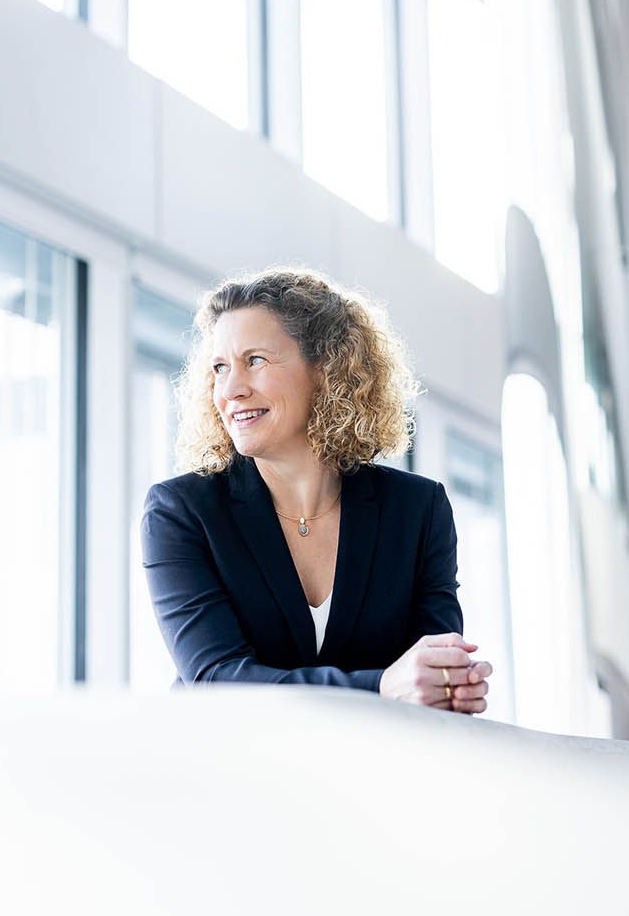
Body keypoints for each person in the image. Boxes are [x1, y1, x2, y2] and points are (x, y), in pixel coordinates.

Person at [139, 268, 492, 713]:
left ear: (326, 368)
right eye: (220, 367)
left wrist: (449, 685)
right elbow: (217, 679)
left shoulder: (418, 510)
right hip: (222, 772)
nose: (230, 389)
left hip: (372, 776)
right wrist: (382, 686)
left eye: (256, 361)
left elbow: (435, 673)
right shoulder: (181, 512)